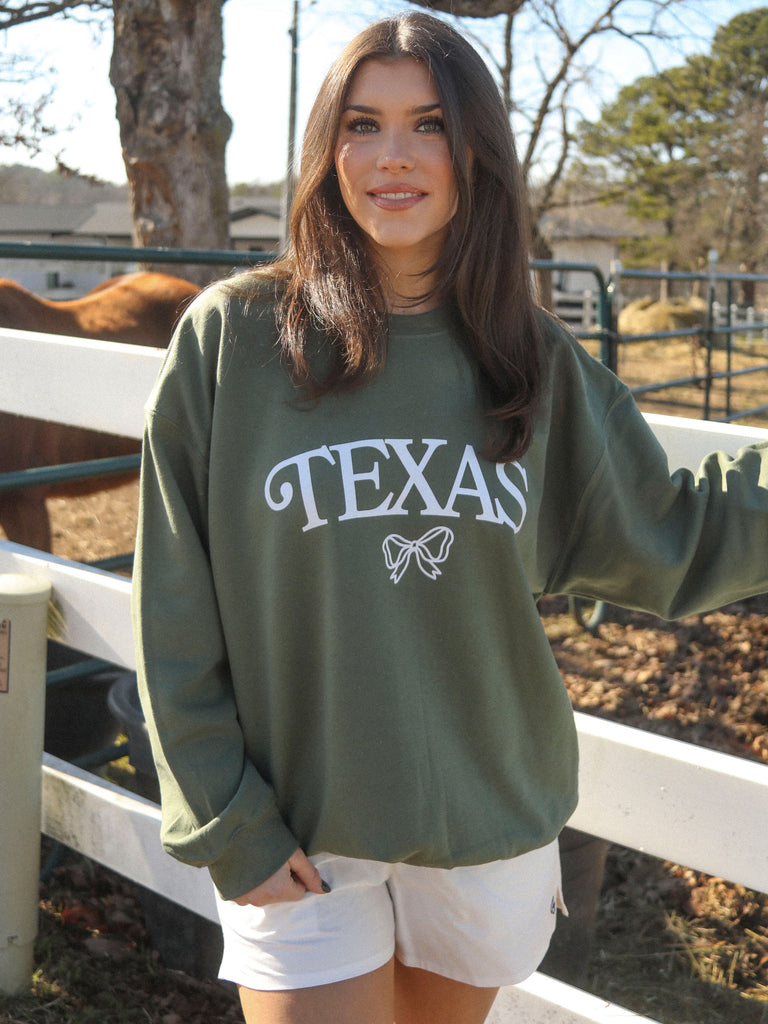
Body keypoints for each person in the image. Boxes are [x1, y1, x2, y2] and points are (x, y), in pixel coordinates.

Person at [131, 12, 768, 1024]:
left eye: (428, 124)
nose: (394, 157)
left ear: (475, 150)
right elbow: (173, 599)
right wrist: (224, 813)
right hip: (295, 827)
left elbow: (672, 534)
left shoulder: (533, 359)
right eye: (363, 124)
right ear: (326, 147)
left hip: (485, 827)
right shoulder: (236, 342)